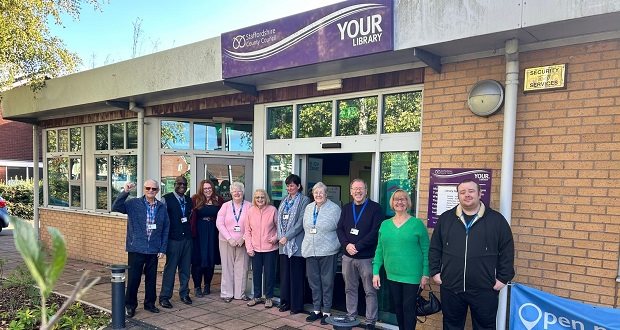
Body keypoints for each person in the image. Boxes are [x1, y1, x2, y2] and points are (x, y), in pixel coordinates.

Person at [429, 179, 515, 330]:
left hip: (485, 289)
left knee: (485, 327)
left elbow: (507, 250)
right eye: (462, 192)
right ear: (458, 195)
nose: (466, 195)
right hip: (451, 287)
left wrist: (503, 278)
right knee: (451, 326)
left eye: (471, 191)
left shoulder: (496, 220)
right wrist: (435, 272)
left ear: (480, 193)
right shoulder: (446, 219)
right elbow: (435, 247)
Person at [372, 189, 429, 330]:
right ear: (392, 203)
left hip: (412, 275)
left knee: (408, 308)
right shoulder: (385, 225)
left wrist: (425, 273)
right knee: (398, 307)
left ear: (408, 202)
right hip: (392, 274)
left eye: (403, 199)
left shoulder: (417, 224)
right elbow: (379, 249)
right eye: (396, 199)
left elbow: (426, 250)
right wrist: (375, 271)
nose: (400, 202)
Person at [112, 180, 169, 318]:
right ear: (144, 189)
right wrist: (125, 192)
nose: (151, 190)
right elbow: (116, 207)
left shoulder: (161, 207)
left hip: (153, 250)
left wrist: (162, 248)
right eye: (148, 188)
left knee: (151, 279)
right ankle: (130, 305)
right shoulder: (133, 204)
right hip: (136, 248)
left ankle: (150, 304)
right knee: (134, 280)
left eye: (154, 189)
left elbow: (166, 228)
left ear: (157, 191)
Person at [336, 178, 383, 330]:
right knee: (349, 288)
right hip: (348, 257)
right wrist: (347, 245)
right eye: (355, 189)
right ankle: (351, 315)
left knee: (370, 290)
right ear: (350, 192)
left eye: (361, 188)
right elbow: (339, 229)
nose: (358, 191)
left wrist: (358, 246)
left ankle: (370, 321)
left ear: (366, 190)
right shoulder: (347, 208)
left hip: (367, 258)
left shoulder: (376, 208)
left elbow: (375, 232)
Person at [301, 182, 341, 325]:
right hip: (310, 250)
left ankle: (327, 311)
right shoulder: (308, 207)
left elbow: (339, 228)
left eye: (321, 192)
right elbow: (305, 226)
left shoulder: (334, 208)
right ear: (313, 194)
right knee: (314, 282)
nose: (318, 195)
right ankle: (316, 309)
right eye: (315, 192)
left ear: (326, 194)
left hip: (328, 250)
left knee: (327, 282)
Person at [276, 174, 310, 314]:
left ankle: (296, 306)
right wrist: (280, 236)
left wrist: (287, 236)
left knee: (296, 276)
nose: (290, 188)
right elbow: (278, 219)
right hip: (283, 245)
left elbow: (301, 222)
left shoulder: (304, 200)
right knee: (285, 276)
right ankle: (285, 302)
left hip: (296, 244)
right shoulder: (284, 200)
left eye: (292, 185)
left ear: (299, 186)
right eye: (288, 185)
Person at [159, 176, 194, 309]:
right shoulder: (166, 199)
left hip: (187, 240)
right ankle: (164, 297)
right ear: (174, 184)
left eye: (184, 184)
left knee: (185, 269)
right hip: (173, 240)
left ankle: (184, 293)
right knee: (170, 269)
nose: (182, 186)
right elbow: (161, 220)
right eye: (179, 183)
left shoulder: (188, 200)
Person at [216, 181, 251, 302]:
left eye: (239, 190)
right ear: (231, 193)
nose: (237, 193)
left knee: (242, 268)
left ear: (243, 192)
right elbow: (219, 223)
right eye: (234, 191)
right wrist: (229, 238)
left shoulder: (249, 206)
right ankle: (227, 293)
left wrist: (243, 238)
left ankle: (239, 294)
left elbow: (252, 225)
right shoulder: (225, 206)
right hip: (226, 241)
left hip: (243, 242)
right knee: (227, 267)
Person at [244, 189, 278, 308]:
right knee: (256, 274)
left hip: (270, 249)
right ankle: (257, 296)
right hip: (255, 249)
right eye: (257, 197)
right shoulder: (250, 211)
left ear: (266, 198)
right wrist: (249, 247)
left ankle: (269, 298)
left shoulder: (273, 210)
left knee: (269, 274)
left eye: (262, 197)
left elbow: (280, 227)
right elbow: (247, 231)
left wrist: (275, 238)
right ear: (254, 199)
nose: (260, 199)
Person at [190, 179, 223, 297]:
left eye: (209, 188)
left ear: (213, 188)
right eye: (205, 189)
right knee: (197, 261)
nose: (208, 190)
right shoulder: (195, 199)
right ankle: (197, 287)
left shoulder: (218, 200)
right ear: (201, 190)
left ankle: (207, 285)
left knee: (210, 260)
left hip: (213, 233)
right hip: (199, 233)